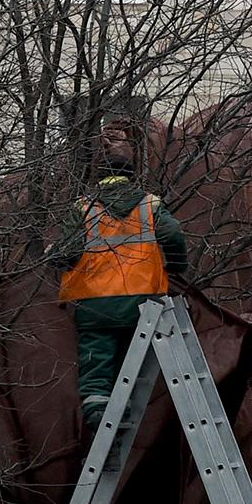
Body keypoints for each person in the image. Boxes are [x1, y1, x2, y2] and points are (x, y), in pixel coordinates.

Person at [53, 149, 188, 428]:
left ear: (98, 178)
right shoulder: (149, 205)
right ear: (130, 177)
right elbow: (173, 234)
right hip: (142, 300)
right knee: (131, 358)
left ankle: (98, 416)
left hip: (94, 302)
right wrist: (175, 265)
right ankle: (123, 407)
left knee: (97, 359)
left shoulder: (84, 207)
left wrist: (55, 256)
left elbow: (67, 251)